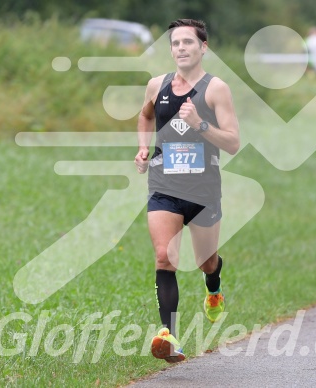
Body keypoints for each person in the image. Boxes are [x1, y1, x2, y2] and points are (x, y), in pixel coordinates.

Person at [134, 18, 240, 363]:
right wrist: (143, 147)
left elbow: (234, 143)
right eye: (175, 43)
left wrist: (200, 124)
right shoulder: (157, 85)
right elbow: (145, 117)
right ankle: (169, 336)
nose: (181, 48)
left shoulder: (215, 89)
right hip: (164, 186)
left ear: (203, 48)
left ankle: (214, 286)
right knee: (165, 256)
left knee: (205, 261)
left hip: (204, 192)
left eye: (188, 43)